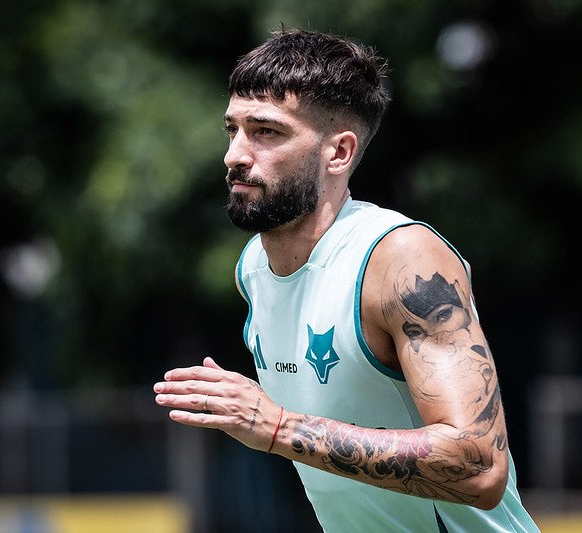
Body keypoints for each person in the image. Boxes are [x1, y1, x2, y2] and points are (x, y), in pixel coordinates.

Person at [154, 28, 539, 532]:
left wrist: (276, 427)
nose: (235, 155)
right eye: (234, 130)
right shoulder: (253, 267)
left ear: (338, 152)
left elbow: (480, 466)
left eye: (267, 132)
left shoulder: (400, 258)